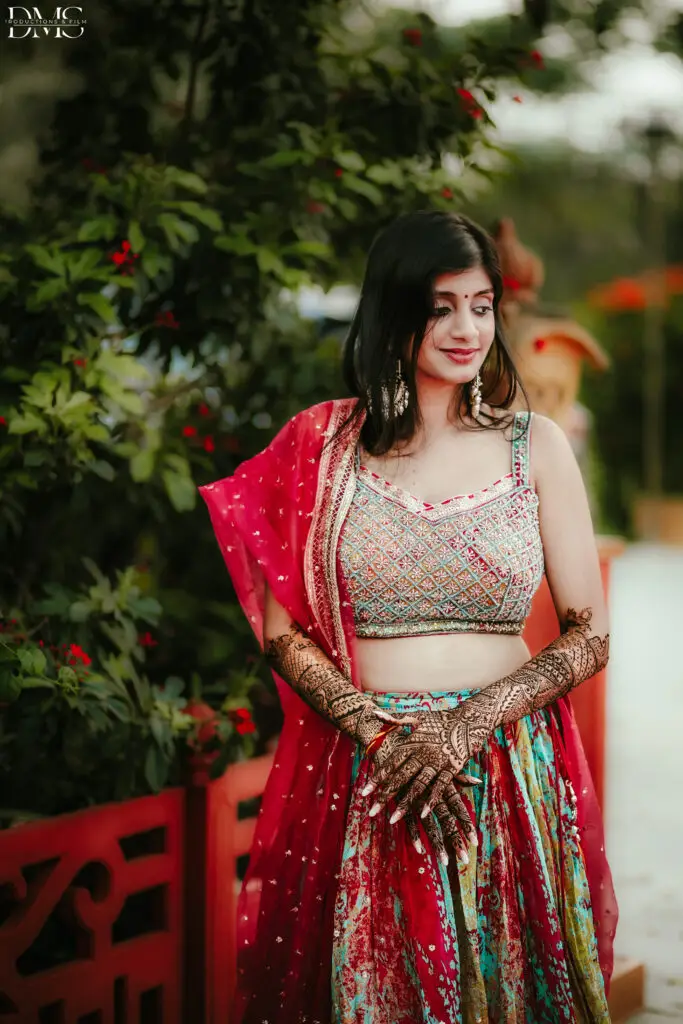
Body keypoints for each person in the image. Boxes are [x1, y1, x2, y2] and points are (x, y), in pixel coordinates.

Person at [200, 210, 618, 1024]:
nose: (467, 329)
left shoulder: (536, 448)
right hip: (369, 777)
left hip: (497, 771)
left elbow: (589, 632)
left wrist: (465, 727)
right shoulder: (321, 448)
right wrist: (382, 735)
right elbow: (283, 632)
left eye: (482, 305)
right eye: (439, 307)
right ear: (394, 311)